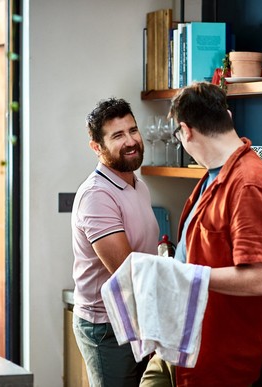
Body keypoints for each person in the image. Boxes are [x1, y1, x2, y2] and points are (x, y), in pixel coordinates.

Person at [141, 82, 262, 386]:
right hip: (179, 347)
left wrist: (184, 275)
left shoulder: (250, 184)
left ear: (187, 131)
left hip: (216, 358)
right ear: (228, 116)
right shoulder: (215, 176)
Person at [71, 97, 159, 387]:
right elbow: (126, 270)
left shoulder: (138, 186)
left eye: (132, 130)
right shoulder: (97, 195)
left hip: (134, 317)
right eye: (118, 135)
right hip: (105, 326)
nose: (131, 140)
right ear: (97, 147)